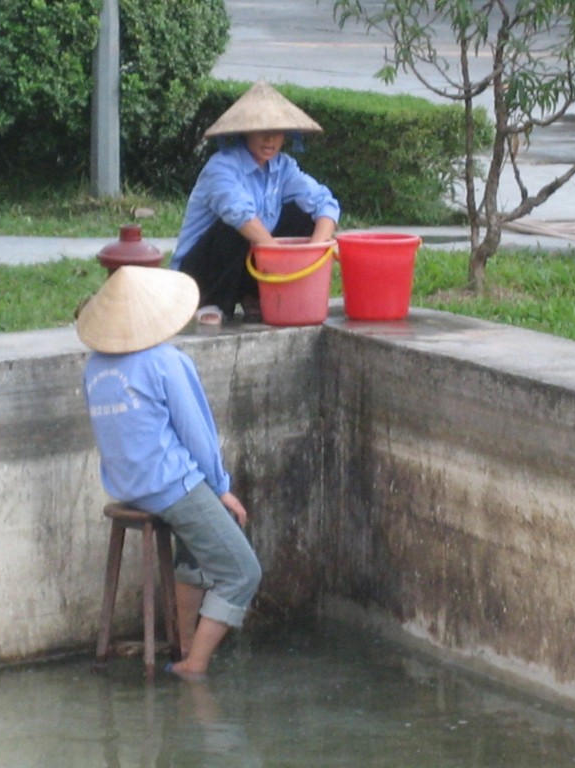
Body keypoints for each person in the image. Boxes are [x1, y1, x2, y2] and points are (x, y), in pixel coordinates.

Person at [76, 265, 262, 679]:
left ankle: (181, 641)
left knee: (198, 550)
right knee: (243, 572)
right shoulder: (166, 361)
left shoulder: (95, 366)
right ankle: (194, 665)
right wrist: (220, 487)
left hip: (128, 486)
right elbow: (198, 434)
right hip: (170, 486)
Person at [171, 80, 341, 324]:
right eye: (261, 131)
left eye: (277, 132)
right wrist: (279, 260)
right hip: (199, 272)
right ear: (245, 132)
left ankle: (254, 295)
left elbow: (325, 202)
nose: (270, 139)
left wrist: (313, 252)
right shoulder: (221, 167)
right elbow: (240, 215)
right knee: (239, 228)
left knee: (303, 216)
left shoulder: (284, 167)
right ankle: (213, 302)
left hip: (254, 261)